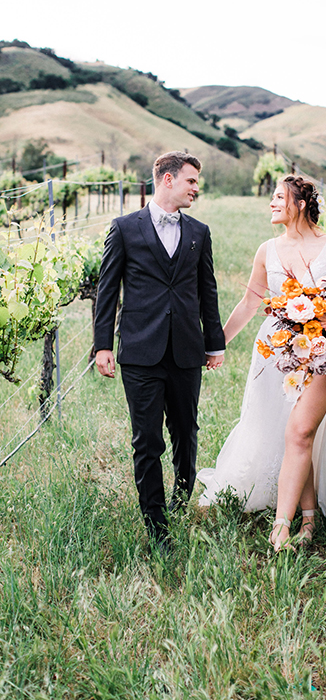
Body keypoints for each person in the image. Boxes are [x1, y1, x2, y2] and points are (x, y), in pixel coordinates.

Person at [197, 175, 326, 550]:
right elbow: (251, 304)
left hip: (320, 355)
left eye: (279, 196)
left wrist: (320, 325)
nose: (271, 202)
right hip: (275, 353)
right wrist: (214, 344)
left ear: (300, 203)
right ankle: (309, 517)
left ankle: (281, 526)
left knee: (299, 431)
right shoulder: (266, 249)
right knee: (292, 433)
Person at [95, 151, 225, 552]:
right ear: (167, 180)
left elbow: (208, 291)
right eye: (191, 181)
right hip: (139, 351)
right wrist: (102, 345)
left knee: (186, 433)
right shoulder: (123, 229)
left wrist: (214, 341)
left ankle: (181, 500)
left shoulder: (199, 233)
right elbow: (107, 290)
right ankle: (156, 526)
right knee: (146, 441)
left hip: (187, 350)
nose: (196, 189)